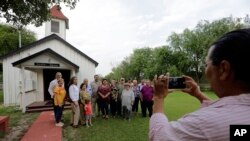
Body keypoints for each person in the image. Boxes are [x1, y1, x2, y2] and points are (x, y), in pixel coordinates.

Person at [150, 28, 250, 141]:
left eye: (206, 65)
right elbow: (232, 114)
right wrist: (198, 94)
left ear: (223, 69)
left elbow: (159, 136)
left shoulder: (205, 123)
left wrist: (158, 97)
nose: (205, 70)